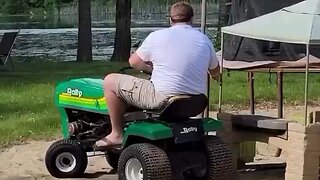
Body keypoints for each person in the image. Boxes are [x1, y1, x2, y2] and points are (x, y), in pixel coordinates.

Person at [95, 1, 220, 149]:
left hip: (164, 98)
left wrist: (150, 69)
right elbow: (215, 72)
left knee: (110, 81)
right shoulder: (204, 39)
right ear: (192, 19)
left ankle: (116, 134)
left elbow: (134, 62)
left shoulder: (158, 36)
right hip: (196, 102)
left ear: (170, 19)